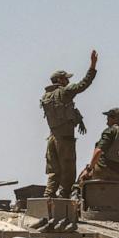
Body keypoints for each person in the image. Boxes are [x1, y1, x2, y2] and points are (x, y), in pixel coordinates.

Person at [41, 50, 98, 198]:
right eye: (66, 78)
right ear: (60, 80)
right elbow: (83, 84)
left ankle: (48, 197)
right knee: (68, 170)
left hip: (52, 138)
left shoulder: (47, 96)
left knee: (54, 171)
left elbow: (65, 109)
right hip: (65, 139)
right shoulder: (65, 92)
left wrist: (79, 119)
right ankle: (64, 199)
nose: (68, 81)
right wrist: (92, 66)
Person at [82, 107, 119, 183]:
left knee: (81, 178)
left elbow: (98, 151)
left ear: (114, 118)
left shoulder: (111, 130)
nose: (107, 120)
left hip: (104, 169)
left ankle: (75, 192)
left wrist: (89, 169)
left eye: (109, 117)